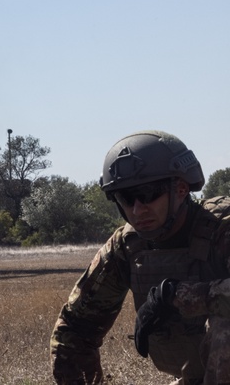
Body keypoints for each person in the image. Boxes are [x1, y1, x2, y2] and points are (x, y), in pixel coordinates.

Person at [51, 130, 230, 385]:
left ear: (180, 189)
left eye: (148, 194)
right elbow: (75, 327)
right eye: (125, 197)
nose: (137, 209)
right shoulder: (128, 246)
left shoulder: (223, 227)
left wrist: (174, 296)